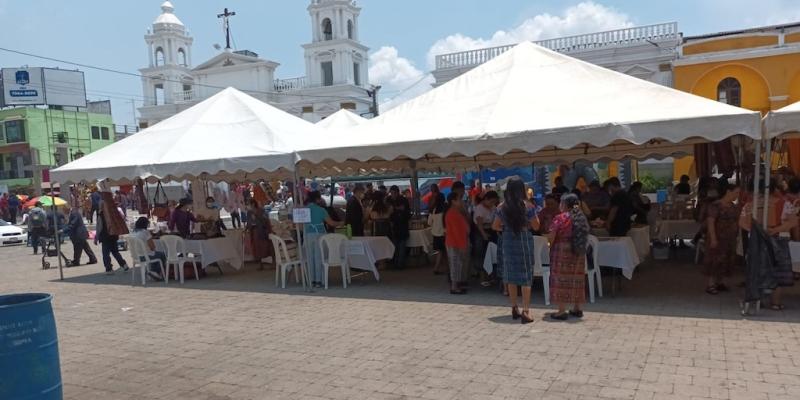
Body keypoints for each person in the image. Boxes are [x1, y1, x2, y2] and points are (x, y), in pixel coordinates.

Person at [492, 179, 540, 324]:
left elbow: (495, 226)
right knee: (526, 274)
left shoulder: (501, 207)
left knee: (510, 273)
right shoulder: (528, 206)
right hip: (524, 238)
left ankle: (514, 307)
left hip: (508, 240)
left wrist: (506, 229)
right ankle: (526, 310)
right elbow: (537, 226)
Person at [545, 194, 590, 321]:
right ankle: (577, 308)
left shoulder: (560, 218)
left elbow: (551, 236)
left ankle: (561, 310)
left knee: (560, 278)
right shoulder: (581, 218)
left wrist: (549, 243)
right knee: (576, 278)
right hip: (578, 251)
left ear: (564, 204)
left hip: (562, 250)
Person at [704, 183, 742, 295]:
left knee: (727, 260)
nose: (737, 195)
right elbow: (711, 222)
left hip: (730, 238)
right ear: (728, 192)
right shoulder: (715, 206)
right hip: (717, 237)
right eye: (736, 192)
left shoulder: (734, 207)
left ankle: (721, 282)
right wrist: (713, 238)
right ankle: (710, 284)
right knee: (714, 260)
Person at [303, 191, 344, 288]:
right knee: (319, 257)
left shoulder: (304, 210)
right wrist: (341, 222)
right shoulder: (321, 210)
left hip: (308, 235)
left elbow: (300, 225)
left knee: (310, 258)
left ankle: (311, 280)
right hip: (319, 235)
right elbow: (331, 223)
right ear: (317, 199)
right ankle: (318, 280)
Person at [445, 192, 470, 294]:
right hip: (455, 242)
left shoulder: (456, 212)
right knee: (455, 264)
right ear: (453, 201)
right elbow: (457, 231)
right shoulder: (452, 213)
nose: (461, 201)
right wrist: (462, 245)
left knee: (458, 264)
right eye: (459, 199)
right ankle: (454, 286)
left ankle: (456, 284)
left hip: (457, 241)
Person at [94, 202, 129, 275]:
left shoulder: (101, 214)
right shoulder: (112, 213)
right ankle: (124, 265)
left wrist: (96, 237)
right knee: (115, 252)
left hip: (105, 236)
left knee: (105, 253)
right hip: (113, 235)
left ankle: (109, 268)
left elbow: (99, 227)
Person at [473, 191, 499, 285]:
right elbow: (479, 223)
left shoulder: (493, 208)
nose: (492, 204)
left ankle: (491, 275)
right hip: (481, 232)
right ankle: (482, 277)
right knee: (481, 253)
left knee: (491, 254)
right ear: (486, 199)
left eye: (494, 202)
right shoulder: (479, 208)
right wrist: (483, 234)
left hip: (491, 231)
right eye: (491, 202)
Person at [245, 199, 273, 268]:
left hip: (263, 232)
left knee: (267, 247)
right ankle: (261, 265)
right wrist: (246, 229)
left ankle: (273, 263)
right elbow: (248, 222)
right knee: (257, 248)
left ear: (253, 204)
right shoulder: (249, 212)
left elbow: (265, 220)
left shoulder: (261, 210)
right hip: (254, 231)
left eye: (249, 204)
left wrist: (256, 215)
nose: (248, 206)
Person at [387, 185, 411, 269]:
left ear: (397, 192)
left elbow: (407, 213)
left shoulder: (403, 200)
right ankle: (396, 263)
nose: (393, 194)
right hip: (395, 226)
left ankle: (400, 264)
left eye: (394, 193)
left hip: (402, 225)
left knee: (401, 246)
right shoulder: (389, 200)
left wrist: (396, 209)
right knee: (396, 246)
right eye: (391, 193)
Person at [427, 184, 447, 275]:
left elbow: (429, 223)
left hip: (436, 233)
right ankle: (441, 267)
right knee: (443, 251)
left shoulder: (433, 210)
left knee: (440, 251)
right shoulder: (446, 209)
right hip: (445, 233)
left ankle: (438, 267)